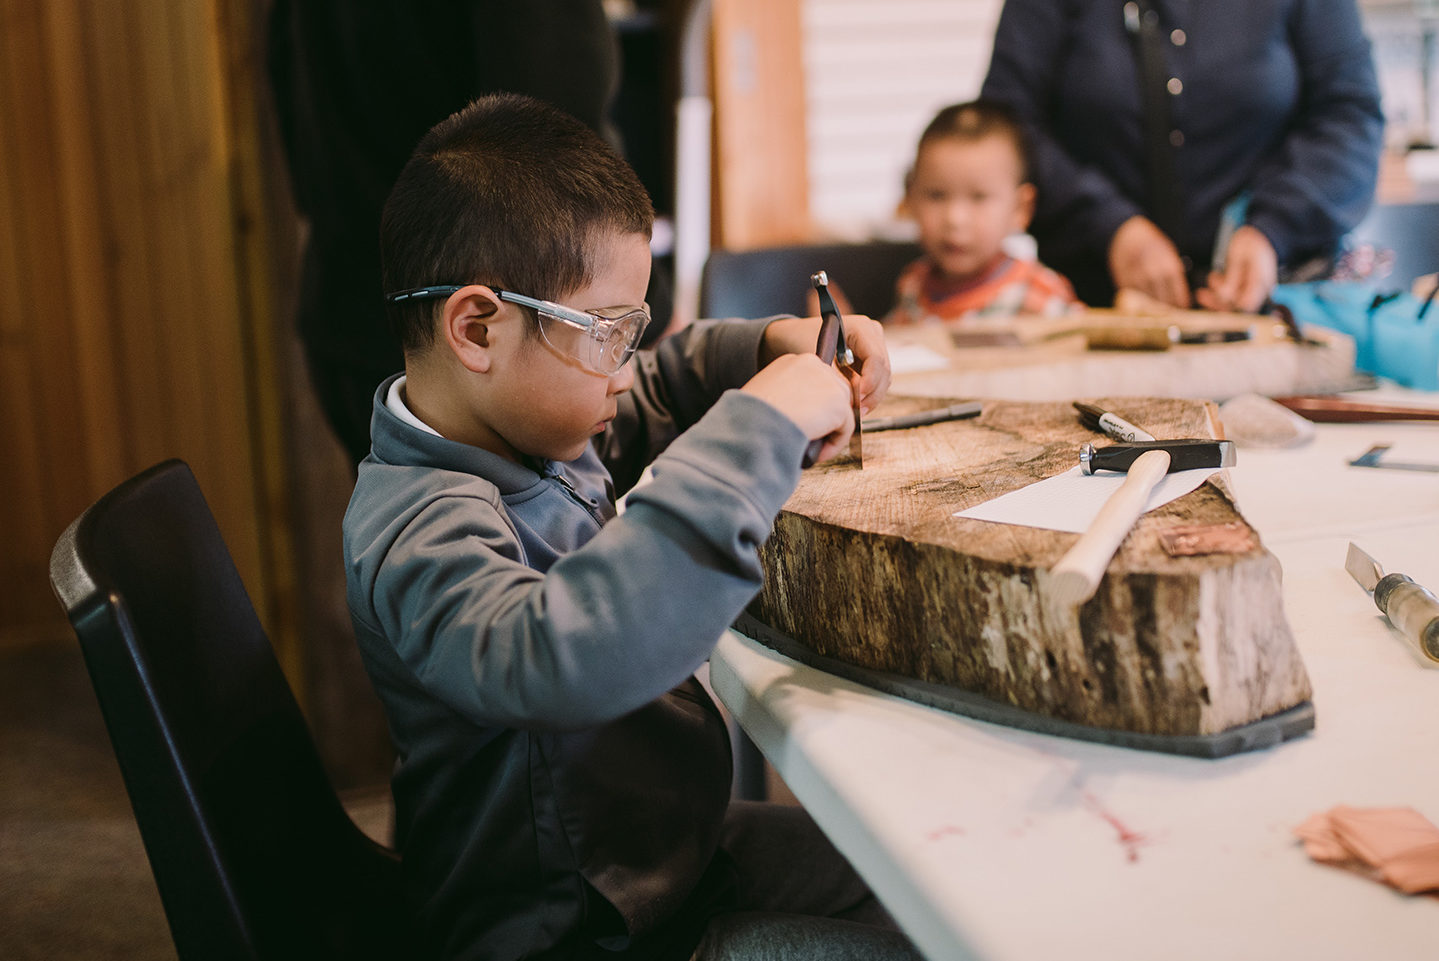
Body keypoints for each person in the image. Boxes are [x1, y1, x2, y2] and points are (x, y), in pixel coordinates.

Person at [343, 93, 919, 961]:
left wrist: (770, 345)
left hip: (654, 853)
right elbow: (549, 655)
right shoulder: (416, 525)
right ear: (476, 328)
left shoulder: (526, 421)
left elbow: (658, 383)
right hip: (569, 926)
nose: (624, 367)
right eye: (610, 331)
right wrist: (757, 428)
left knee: (915, 887)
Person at [266, 0, 624, 464]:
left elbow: (285, 71)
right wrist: (626, 316)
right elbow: (559, 141)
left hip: (349, 308)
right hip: (486, 339)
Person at [980, 0, 1384, 312]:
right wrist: (1108, 224)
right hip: (1093, 306)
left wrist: (1272, 228)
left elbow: (1351, 117)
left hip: (1277, 302)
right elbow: (1007, 123)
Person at [885, 99, 1081, 326]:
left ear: (1020, 209)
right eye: (937, 195)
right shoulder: (912, 285)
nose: (955, 219)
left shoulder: (1038, 295)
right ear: (911, 199)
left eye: (979, 198)